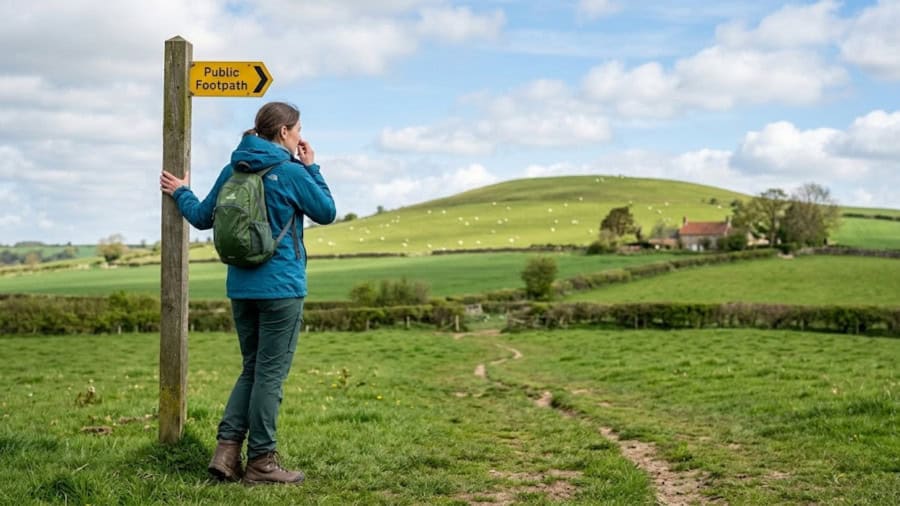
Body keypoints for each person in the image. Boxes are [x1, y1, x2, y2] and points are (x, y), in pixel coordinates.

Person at [160, 101, 336, 485]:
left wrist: (181, 193)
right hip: (282, 288)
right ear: (285, 133)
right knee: (269, 375)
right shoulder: (291, 172)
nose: (300, 137)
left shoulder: (233, 167)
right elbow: (326, 211)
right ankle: (261, 462)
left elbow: (204, 216)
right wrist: (313, 167)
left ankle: (225, 454)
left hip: (240, 287)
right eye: (298, 130)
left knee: (252, 369)